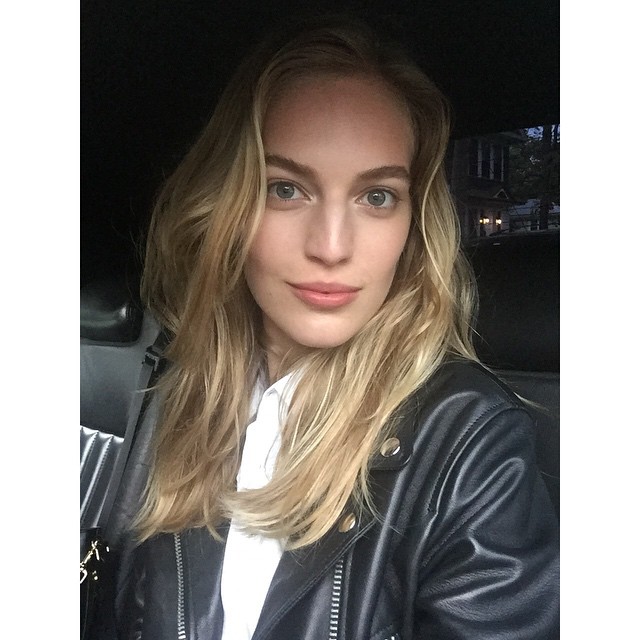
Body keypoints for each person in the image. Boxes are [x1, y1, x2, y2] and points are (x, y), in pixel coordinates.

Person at [116, 16, 560, 640]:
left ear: (412, 224)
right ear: (227, 205)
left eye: (376, 197)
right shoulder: (181, 386)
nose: (330, 247)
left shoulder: (468, 439)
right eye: (286, 189)